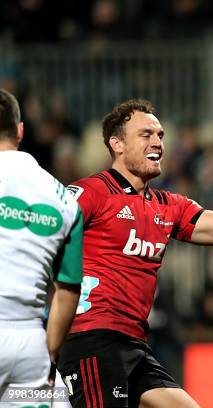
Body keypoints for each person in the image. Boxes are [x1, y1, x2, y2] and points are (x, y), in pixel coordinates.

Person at [57, 99, 213, 408]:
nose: (158, 142)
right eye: (145, 134)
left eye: (160, 135)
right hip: (93, 339)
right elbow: (44, 237)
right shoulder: (92, 193)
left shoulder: (170, 206)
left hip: (135, 346)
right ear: (117, 143)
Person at [0, 88, 82, 405]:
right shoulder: (63, 197)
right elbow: (69, 289)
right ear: (21, 131)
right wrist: (46, 352)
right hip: (29, 349)